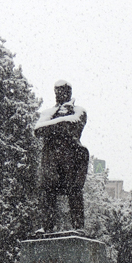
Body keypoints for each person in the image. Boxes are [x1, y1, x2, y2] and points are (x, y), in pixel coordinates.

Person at [35, 80, 89, 233]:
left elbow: (73, 125)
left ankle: (78, 227)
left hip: (72, 159)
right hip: (51, 160)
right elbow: (38, 130)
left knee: (74, 192)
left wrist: (52, 126)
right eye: (57, 91)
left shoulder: (79, 110)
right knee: (48, 193)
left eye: (63, 91)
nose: (60, 94)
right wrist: (60, 122)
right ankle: (47, 227)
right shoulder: (48, 112)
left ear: (69, 92)